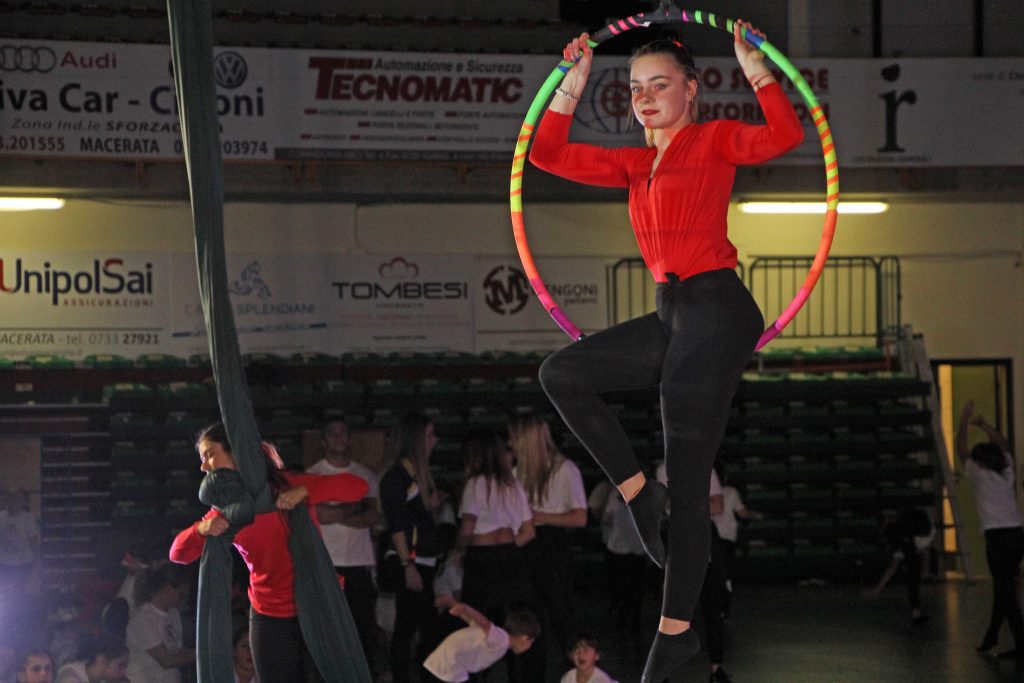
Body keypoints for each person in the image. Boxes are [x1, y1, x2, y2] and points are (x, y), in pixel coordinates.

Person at [530, 19, 803, 682]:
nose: (645, 97)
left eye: (659, 85)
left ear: (692, 89)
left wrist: (756, 66)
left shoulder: (712, 141)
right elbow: (545, 153)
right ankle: (634, 491)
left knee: (687, 469)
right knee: (561, 373)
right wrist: (571, 86)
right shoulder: (634, 162)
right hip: (672, 313)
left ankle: (677, 634)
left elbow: (787, 135)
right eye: (634, 88)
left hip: (717, 311)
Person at [169, 422, 370, 682]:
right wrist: (201, 529)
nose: (204, 467)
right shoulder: (226, 508)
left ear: (235, 451)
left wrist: (306, 491)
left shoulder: (287, 484)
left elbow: (359, 487)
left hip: (319, 605)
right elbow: (178, 553)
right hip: (270, 615)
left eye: (208, 454)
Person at [308, 417, 387, 680]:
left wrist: (336, 511)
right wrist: (355, 504)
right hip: (327, 564)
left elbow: (373, 517)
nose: (339, 438)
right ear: (323, 440)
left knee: (362, 631)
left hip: (359, 564)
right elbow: (319, 515)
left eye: (343, 433)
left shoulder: (365, 475)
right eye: (333, 433)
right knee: (328, 632)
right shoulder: (312, 475)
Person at [509, 414, 587, 679]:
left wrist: (539, 516)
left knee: (562, 621)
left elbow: (580, 517)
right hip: (525, 545)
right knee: (528, 623)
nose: (510, 443)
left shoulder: (565, 469)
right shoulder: (515, 471)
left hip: (552, 546)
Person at [379, 414, 445, 683]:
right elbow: (396, 524)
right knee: (409, 627)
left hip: (424, 560)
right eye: (429, 435)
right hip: (409, 561)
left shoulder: (418, 475)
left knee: (424, 627)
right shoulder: (398, 476)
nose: (435, 440)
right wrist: (408, 565)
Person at [957, 401, 1024, 659]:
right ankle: (991, 636)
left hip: (997, 538)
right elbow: (1003, 443)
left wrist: (964, 420)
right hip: (1018, 535)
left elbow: (961, 449)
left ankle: (1021, 643)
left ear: (980, 462)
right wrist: (984, 425)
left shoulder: (978, 473)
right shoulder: (1006, 472)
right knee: (1003, 588)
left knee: (1006, 592)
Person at [453, 428, 535, 627]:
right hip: (508, 553)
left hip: (481, 556)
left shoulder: (475, 484)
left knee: (476, 618)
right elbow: (529, 530)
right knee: (509, 619)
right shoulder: (513, 485)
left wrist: (459, 550)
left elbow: (468, 525)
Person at [422, 595, 539, 683]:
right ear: (525, 638)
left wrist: (452, 602)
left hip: (443, 663)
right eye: (531, 642)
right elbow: (484, 622)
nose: (530, 646)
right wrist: (465, 608)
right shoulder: (502, 640)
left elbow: (471, 620)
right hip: (450, 666)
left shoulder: (494, 636)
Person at [862, 506, 934, 625]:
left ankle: (917, 613)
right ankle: (917, 613)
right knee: (913, 579)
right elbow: (894, 567)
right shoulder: (906, 542)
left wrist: (876, 590)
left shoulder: (903, 540)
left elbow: (893, 568)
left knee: (912, 579)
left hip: (917, 533)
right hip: (918, 532)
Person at [124, 564, 194, 683]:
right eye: (180, 595)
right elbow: (166, 661)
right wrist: (200, 654)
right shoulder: (143, 618)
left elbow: (177, 650)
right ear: (167, 589)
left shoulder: (173, 613)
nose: (183, 600)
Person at [711, 461, 763, 619]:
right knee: (725, 575)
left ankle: (717, 607)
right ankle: (724, 608)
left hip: (713, 537)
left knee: (714, 574)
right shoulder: (731, 491)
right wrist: (757, 515)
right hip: (726, 538)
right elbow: (742, 513)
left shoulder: (705, 493)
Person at [0, 489, 39, 595]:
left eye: (17, 499)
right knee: (4, 593)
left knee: (19, 592)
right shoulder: (1, 517)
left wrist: (36, 562)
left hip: (23, 563)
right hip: (4, 563)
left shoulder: (28, 519)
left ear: (23, 502)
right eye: (11, 498)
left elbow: (34, 542)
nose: (13, 502)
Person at [54, 634, 129, 683]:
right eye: (120, 666)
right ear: (102, 661)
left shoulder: (101, 679)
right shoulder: (69, 677)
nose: (123, 672)